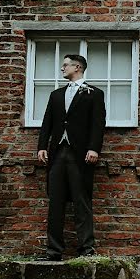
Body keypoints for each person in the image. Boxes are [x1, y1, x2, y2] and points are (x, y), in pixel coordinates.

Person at [36, 54, 106, 260]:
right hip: (57, 152)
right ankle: (54, 250)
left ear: (78, 67)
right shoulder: (56, 95)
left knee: (81, 200)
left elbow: (98, 124)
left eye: (65, 65)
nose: (62, 68)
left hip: (81, 154)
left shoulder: (94, 94)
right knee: (55, 202)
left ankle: (86, 249)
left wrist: (94, 148)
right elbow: (47, 122)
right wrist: (42, 146)